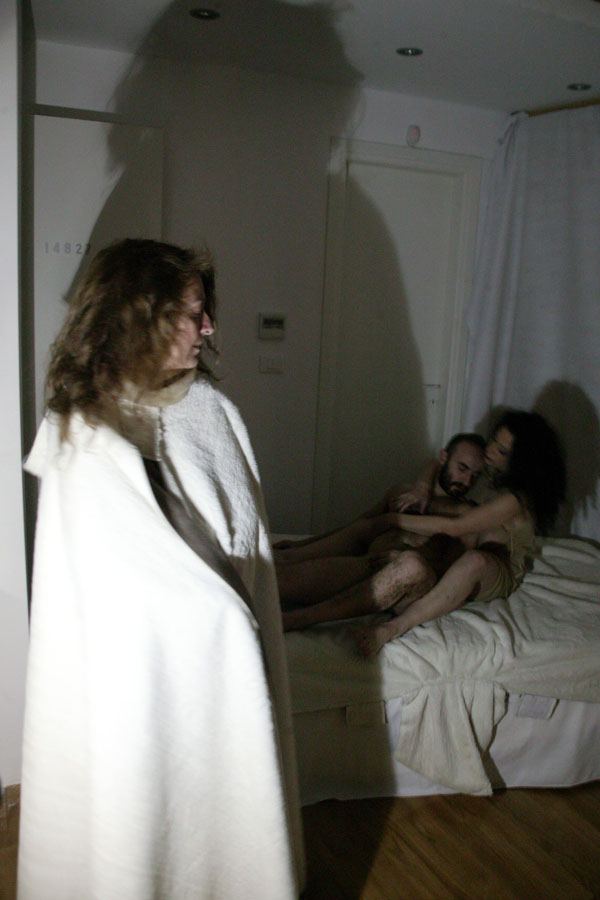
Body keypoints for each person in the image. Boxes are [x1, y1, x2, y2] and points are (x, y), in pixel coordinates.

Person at [18, 239, 304, 900]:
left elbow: (245, 532)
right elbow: (114, 580)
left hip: (221, 666)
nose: (208, 328)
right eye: (191, 314)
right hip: (135, 681)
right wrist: (220, 616)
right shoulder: (80, 433)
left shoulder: (213, 413)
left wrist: (237, 622)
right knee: (139, 826)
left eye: (205, 312)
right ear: (138, 315)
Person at [355, 409, 566, 656]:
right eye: (494, 440)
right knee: (407, 504)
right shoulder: (493, 472)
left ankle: (393, 628)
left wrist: (394, 520)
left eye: (501, 451)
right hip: (472, 545)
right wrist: (422, 486)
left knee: (473, 560)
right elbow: (441, 462)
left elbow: (457, 526)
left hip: (498, 567)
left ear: (520, 462)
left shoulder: (514, 500)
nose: (490, 450)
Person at [276, 434, 485, 626]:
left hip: (406, 583)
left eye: (475, 476)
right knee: (282, 578)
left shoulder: (469, 516)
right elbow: (361, 523)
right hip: (368, 562)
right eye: (462, 468)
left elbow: (455, 574)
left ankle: (300, 618)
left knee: (410, 565)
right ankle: (290, 556)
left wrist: (404, 557)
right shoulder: (403, 492)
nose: (467, 482)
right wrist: (303, 543)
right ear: (444, 458)